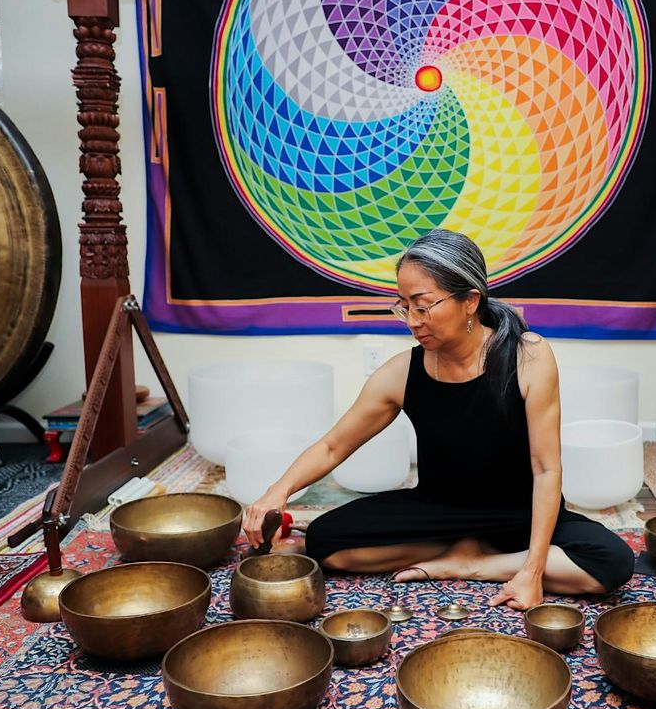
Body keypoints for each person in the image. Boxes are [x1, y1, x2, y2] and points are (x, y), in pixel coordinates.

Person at [243, 229, 634, 610]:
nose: (412, 319)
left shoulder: (527, 356)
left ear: (470, 301)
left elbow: (546, 469)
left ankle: (475, 563)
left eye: (423, 304)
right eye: (403, 305)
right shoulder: (401, 373)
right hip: (437, 509)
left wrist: (532, 571)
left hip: (520, 512)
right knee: (326, 542)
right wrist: (277, 492)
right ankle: (461, 547)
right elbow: (333, 446)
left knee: (612, 561)